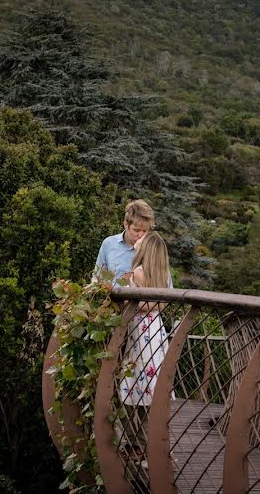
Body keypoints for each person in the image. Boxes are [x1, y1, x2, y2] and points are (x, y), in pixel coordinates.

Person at [117, 231, 172, 466]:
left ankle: (137, 446)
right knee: (150, 388)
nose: (137, 240)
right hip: (156, 333)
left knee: (132, 385)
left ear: (145, 249)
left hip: (140, 333)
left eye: (141, 240)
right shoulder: (162, 274)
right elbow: (159, 304)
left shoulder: (138, 273)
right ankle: (153, 447)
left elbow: (145, 305)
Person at [93, 199, 154, 284]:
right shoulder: (109, 244)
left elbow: (165, 284)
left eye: (145, 231)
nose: (140, 235)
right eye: (136, 230)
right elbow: (97, 277)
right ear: (126, 224)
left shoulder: (153, 249)